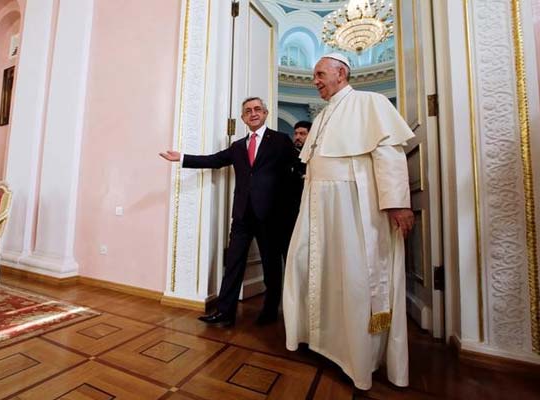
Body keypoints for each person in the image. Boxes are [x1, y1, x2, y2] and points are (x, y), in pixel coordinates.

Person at [282, 53, 415, 390]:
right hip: (316, 207)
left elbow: (389, 153)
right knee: (317, 272)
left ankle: (360, 357)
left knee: (353, 277)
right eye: (314, 76)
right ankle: (325, 341)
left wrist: (398, 203)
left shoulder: (370, 102)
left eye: (319, 74)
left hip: (353, 207)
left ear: (341, 73)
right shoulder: (324, 115)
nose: (315, 81)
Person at [160, 97, 295, 327]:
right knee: (233, 263)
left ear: (265, 113)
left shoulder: (280, 140)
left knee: (271, 265)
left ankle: (271, 310)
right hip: (242, 215)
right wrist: (182, 157)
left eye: (257, 109)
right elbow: (214, 160)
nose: (253, 113)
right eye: (247, 111)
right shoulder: (238, 147)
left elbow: (293, 173)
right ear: (243, 118)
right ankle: (225, 312)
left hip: (270, 216)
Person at [281, 121, 311, 260]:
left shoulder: (315, 157)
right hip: (288, 211)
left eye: (302, 134)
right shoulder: (287, 156)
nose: (297, 137)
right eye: (296, 133)